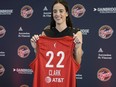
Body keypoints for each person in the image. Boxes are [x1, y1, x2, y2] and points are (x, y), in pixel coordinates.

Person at [30, 0, 83, 87]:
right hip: (47, 81)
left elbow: (77, 64)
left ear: (66, 13)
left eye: (61, 11)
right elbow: (40, 61)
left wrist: (77, 48)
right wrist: (35, 48)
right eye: (55, 11)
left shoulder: (76, 33)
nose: (57, 14)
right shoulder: (45, 34)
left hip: (66, 80)